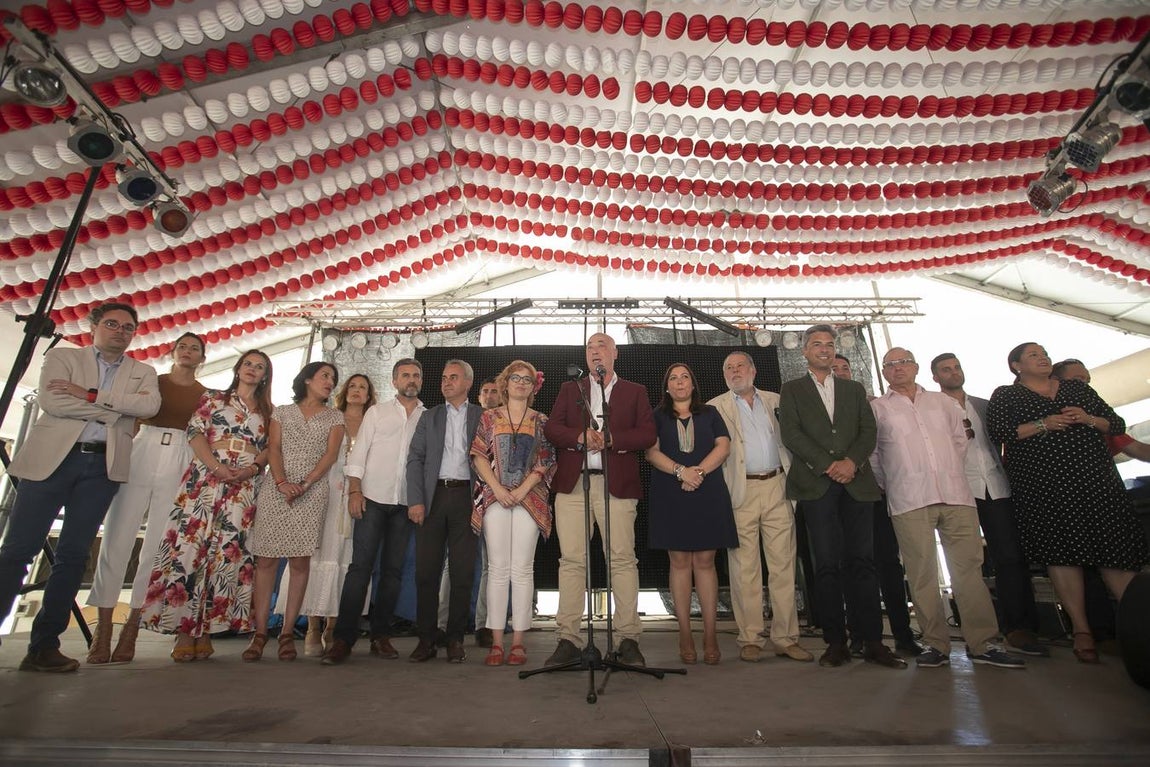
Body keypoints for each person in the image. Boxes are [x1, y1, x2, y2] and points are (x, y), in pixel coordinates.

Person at [0, 303, 160, 673]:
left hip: (102, 468)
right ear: (94, 326)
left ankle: (44, 646)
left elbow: (149, 407)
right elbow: (53, 402)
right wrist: (115, 413)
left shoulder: (143, 371)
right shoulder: (63, 357)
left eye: (128, 327)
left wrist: (88, 395)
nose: (120, 331)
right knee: (18, 551)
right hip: (51, 461)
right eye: (112, 324)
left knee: (73, 556)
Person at [987, 342, 1148, 663]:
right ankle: (1081, 630)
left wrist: (1089, 419)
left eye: (1044, 353)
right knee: (1062, 553)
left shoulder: (1076, 389)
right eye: (1033, 355)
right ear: (1016, 365)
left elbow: (1115, 424)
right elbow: (999, 432)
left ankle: (1139, 627)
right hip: (1045, 488)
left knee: (1115, 551)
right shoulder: (1007, 395)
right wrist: (1043, 424)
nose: (1043, 357)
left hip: (1095, 482)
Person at [872, 348, 1024, 669]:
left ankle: (983, 643)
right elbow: (874, 457)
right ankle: (936, 644)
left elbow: (960, 441)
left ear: (915, 367)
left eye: (904, 362)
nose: (898, 368)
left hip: (956, 495)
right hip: (909, 498)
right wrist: (897, 481)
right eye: (891, 365)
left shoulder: (942, 403)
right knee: (921, 574)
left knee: (969, 570)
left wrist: (945, 471)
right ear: (884, 372)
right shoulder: (878, 409)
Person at [777, 325, 904, 669]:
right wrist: (828, 465)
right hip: (817, 485)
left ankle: (873, 641)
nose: (824, 349)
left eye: (829, 344)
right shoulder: (792, 390)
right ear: (804, 351)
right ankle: (835, 643)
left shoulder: (853, 389)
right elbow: (791, 433)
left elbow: (868, 431)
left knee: (863, 563)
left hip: (856, 485)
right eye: (817, 344)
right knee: (827, 565)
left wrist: (851, 462)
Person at [140, 350, 272, 661]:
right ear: (238, 368)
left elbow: (270, 448)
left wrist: (252, 469)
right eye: (248, 364)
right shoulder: (213, 398)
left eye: (259, 367)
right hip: (206, 478)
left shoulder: (269, 411)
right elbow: (195, 432)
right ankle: (185, 631)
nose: (252, 369)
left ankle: (208, 630)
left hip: (243, 486)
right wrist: (215, 466)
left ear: (265, 376)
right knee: (193, 549)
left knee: (227, 554)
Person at [85, 332, 207, 665]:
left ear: (202, 358)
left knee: (156, 546)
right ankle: (103, 629)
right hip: (143, 447)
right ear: (173, 351)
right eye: (182, 346)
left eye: (194, 348)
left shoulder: (205, 394)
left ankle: (132, 628)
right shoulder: (153, 380)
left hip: (181, 452)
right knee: (117, 537)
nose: (187, 352)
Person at [544, 334, 657, 667]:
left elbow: (647, 434)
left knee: (622, 560)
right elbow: (552, 428)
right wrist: (579, 436)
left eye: (602, 346)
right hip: (573, 485)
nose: (595, 352)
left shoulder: (635, 391)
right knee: (571, 561)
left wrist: (612, 439)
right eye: (590, 348)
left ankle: (627, 639)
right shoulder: (571, 389)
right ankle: (568, 639)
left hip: (616, 485)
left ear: (615, 353)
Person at [932, 352, 1046, 657]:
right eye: (946, 369)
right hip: (958, 491)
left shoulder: (985, 405)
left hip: (995, 486)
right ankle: (978, 631)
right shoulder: (932, 409)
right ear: (935, 377)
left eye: (957, 367)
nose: (954, 373)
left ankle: (1019, 627)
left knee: (1010, 557)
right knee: (967, 563)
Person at [708, 352, 811, 664]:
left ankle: (786, 638)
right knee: (744, 569)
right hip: (740, 491)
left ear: (753, 370)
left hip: (778, 486)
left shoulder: (777, 401)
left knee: (783, 566)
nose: (735, 371)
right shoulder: (714, 408)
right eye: (728, 368)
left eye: (740, 366)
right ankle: (751, 638)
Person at [322, 360, 425, 665]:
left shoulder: (428, 416)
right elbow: (359, 452)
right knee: (360, 569)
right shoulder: (377, 412)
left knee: (393, 573)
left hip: (405, 503)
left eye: (416, 375)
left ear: (421, 381)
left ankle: (380, 636)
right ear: (394, 381)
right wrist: (355, 491)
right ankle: (343, 639)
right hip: (371, 499)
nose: (411, 379)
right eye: (405, 375)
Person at [245, 362, 345, 662]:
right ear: (307, 379)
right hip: (276, 489)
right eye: (325, 376)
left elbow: (330, 455)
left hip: (311, 492)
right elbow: (273, 448)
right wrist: (282, 483)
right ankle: (260, 633)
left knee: (300, 562)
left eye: (333, 378)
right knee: (266, 561)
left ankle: (287, 633)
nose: (330, 382)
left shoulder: (335, 416)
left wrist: (304, 484)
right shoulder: (283, 412)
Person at [829, 354, 923, 658]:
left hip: (880, 493)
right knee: (851, 564)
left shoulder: (876, 405)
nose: (841, 373)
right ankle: (859, 635)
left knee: (888, 564)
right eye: (834, 369)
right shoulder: (824, 411)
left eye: (845, 368)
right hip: (846, 495)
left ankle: (903, 635)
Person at [469, 361, 556, 667]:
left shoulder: (541, 420)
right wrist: (498, 489)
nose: (521, 383)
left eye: (527, 379)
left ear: (534, 387)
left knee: (522, 569)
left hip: (529, 500)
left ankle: (518, 641)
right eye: (515, 378)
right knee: (497, 569)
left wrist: (520, 491)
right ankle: (496, 642)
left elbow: (546, 460)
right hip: (495, 498)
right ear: (505, 383)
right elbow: (478, 455)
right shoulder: (489, 417)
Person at [650, 363, 736, 665]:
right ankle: (684, 634)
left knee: (705, 561)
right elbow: (651, 452)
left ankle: (711, 635)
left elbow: (723, 447)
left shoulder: (710, 413)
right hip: (670, 492)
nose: (679, 382)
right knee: (679, 561)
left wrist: (696, 473)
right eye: (673, 378)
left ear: (693, 383)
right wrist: (680, 472)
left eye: (684, 377)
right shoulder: (657, 416)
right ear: (667, 387)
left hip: (707, 490)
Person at [406, 360, 482, 663]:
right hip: (433, 498)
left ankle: (455, 639)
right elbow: (415, 458)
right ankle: (426, 639)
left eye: (453, 377)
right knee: (426, 572)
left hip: (467, 498)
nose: (446, 382)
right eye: (443, 378)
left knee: (463, 573)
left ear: (468, 383)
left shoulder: (482, 416)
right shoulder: (430, 417)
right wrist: (415, 500)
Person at [297, 373, 376, 656]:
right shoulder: (331, 417)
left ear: (369, 395)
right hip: (327, 491)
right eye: (352, 386)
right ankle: (312, 625)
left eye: (363, 387)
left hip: (359, 494)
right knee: (320, 554)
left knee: (348, 557)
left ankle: (333, 626)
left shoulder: (373, 422)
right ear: (344, 391)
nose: (357, 391)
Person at [1053, 359, 1150, 461]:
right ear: (1054, 380)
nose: (1084, 386)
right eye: (1078, 380)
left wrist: (1090, 420)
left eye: (1087, 381)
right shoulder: (1045, 415)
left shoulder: (1099, 418)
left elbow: (1137, 449)